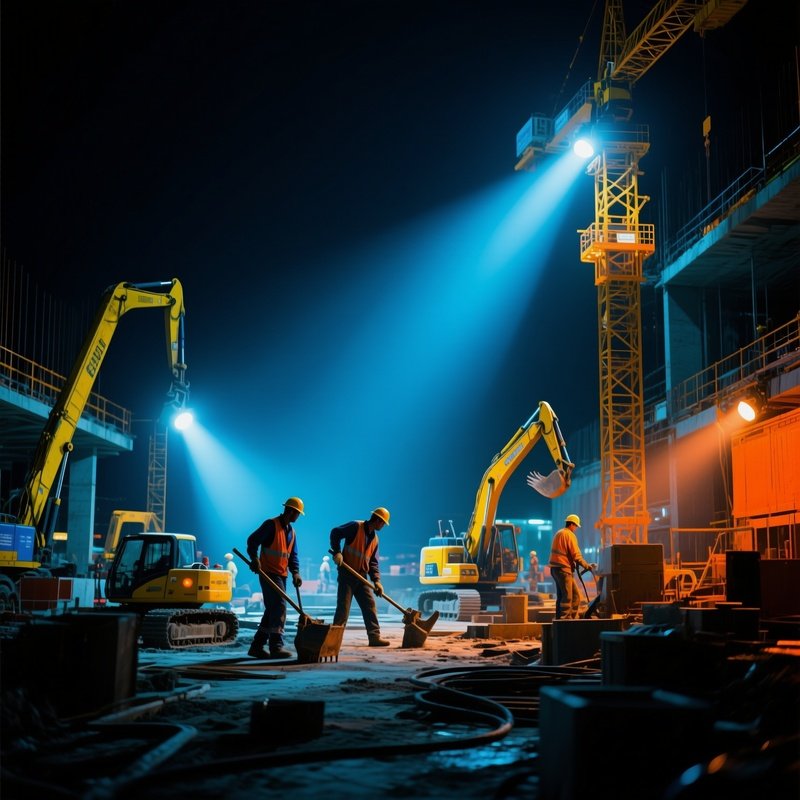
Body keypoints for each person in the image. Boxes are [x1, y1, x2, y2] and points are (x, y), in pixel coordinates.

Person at [245, 497, 305, 659]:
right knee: (279, 607)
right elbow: (252, 540)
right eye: (298, 513)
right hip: (268, 572)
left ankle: (256, 647)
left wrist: (296, 572)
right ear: (291, 511)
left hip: (282, 575)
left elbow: (293, 555)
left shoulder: (291, 532)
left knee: (272, 609)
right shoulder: (271, 525)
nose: (298, 516)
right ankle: (276, 646)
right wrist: (254, 558)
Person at [330, 507, 391, 647]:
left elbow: (373, 562)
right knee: (343, 609)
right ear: (377, 520)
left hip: (362, 577)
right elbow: (335, 532)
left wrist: (377, 581)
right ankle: (333, 641)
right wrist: (337, 552)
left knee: (370, 606)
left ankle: (374, 637)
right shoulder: (355, 526)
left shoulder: (375, 539)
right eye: (383, 523)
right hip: (347, 574)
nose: (383, 526)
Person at [548, 514, 596, 620]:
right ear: (572, 524)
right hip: (564, 569)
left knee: (564, 596)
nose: (576, 529)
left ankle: (562, 618)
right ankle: (566, 619)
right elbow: (576, 555)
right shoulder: (569, 535)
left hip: (555, 569)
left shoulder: (559, 533)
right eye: (576, 526)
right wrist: (587, 566)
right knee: (569, 597)